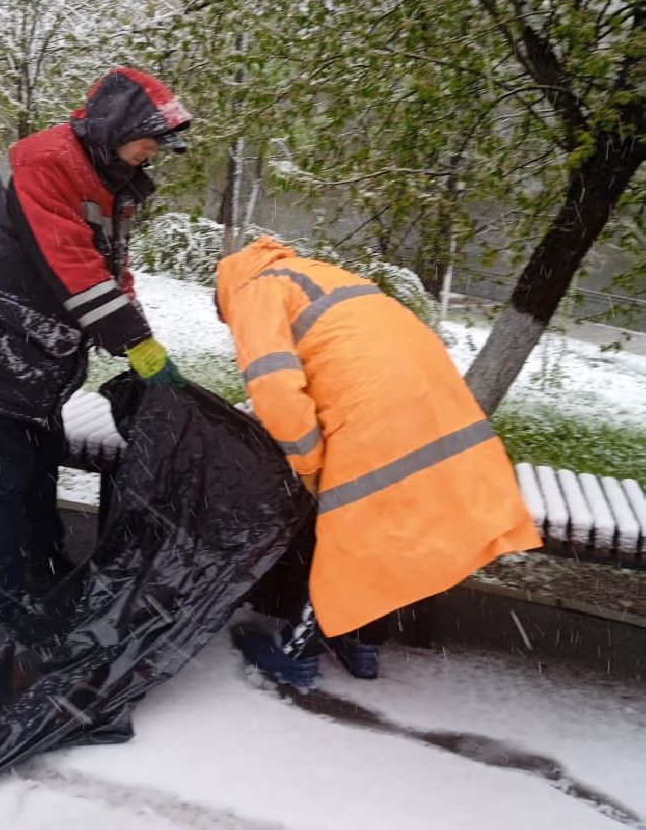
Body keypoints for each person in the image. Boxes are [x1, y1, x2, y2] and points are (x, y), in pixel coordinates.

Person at [0, 67, 192, 656]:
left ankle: (45, 569)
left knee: (40, 461)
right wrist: (134, 343)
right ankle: (2, 606)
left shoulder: (110, 174)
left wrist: (138, 331)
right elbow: (75, 271)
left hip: (37, 351)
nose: (156, 150)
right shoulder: (44, 163)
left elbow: (109, 269)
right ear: (118, 125)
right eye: (151, 136)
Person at [215, 236, 542, 688]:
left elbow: (276, 387)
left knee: (340, 532)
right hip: (434, 407)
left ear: (224, 296)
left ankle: (298, 654)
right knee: (383, 529)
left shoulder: (253, 291)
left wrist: (308, 462)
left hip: (374, 418)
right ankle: (362, 643)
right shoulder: (317, 275)